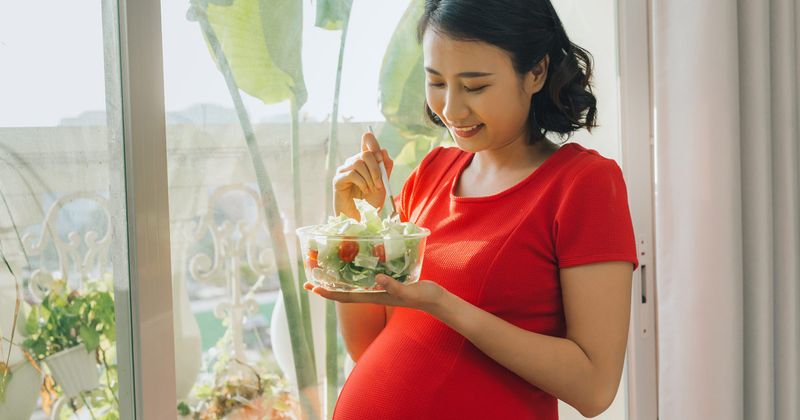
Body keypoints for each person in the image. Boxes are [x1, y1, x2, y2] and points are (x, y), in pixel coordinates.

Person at [304, 0, 639, 418]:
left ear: (535, 73)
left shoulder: (582, 184)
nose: (450, 109)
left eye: (475, 86)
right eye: (437, 82)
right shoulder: (431, 173)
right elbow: (371, 345)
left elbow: (594, 389)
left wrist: (444, 305)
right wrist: (356, 229)